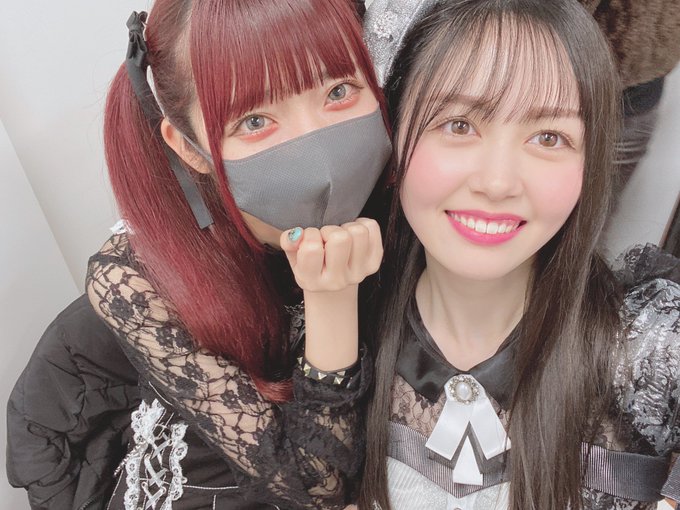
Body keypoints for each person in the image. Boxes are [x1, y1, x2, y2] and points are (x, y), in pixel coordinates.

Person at [9, 0, 392, 508]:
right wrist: (331, 295)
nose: (313, 142)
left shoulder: (415, 196)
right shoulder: (134, 278)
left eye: (338, 91)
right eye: (254, 121)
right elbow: (316, 487)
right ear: (190, 146)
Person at [358, 0, 680, 509]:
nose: (497, 182)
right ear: (393, 137)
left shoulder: (650, 346)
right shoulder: (334, 337)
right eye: (459, 125)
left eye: (549, 137)